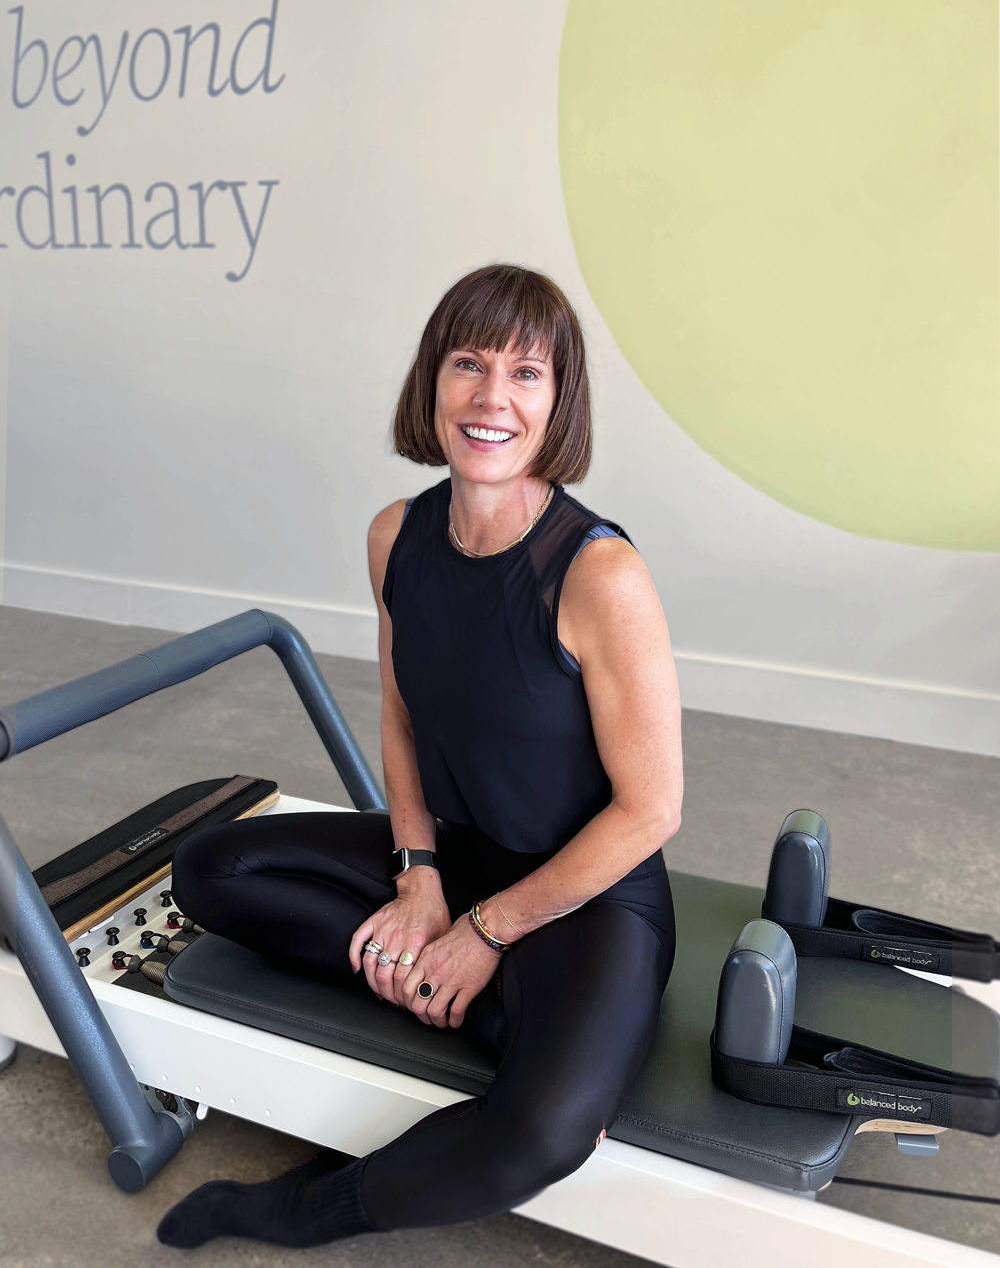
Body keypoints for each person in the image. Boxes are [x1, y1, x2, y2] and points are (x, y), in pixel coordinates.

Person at [157, 264, 683, 1250]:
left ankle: (290, 1208)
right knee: (210, 869)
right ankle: (481, 1004)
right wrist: (419, 877)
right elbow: (400, 716)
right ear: (432, 380)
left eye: (526, 373)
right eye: (468, 364)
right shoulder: (395, 534)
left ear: (558, 400)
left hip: (588, 893)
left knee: (544, 1130)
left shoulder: (600, 573)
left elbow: (651, 810)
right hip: (460, 854)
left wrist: (485, 932)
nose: (492, 397)